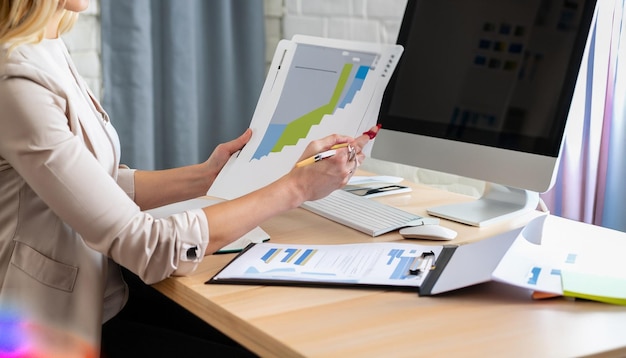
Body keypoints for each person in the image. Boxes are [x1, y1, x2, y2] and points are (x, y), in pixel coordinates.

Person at [0, 0, 377, 356]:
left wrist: (208, 176)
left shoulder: (45, 44)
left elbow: (94, 186)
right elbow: (147, 245)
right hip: (50, 329)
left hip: (102, 294)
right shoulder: (15, 79)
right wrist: (296, 188)